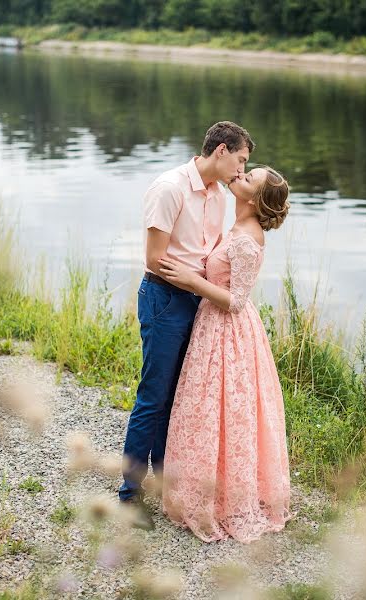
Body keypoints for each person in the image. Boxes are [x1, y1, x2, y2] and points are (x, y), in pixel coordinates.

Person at [118, 121, 255, 530]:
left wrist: (204, 288)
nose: (242, 170)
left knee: (178, 401)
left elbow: (208, 254)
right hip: (163, 299)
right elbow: (155, 259)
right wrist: (193, 284)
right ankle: (129, 496)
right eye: (241, 160)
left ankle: (167, 488)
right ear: (221, 151)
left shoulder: (218, 196)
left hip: (197, 302)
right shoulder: (169, 188)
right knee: (153, 398)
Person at [157, 165, 293, 543]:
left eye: (249, 179)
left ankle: (227, 501)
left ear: (253, 199)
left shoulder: (249, 239)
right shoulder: (235, 226)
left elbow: (236, 301)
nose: (241, 174)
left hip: (227, 332)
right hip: (210, 325)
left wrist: (191, 282)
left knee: (224, 411)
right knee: (206, 410)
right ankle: (204, 489)